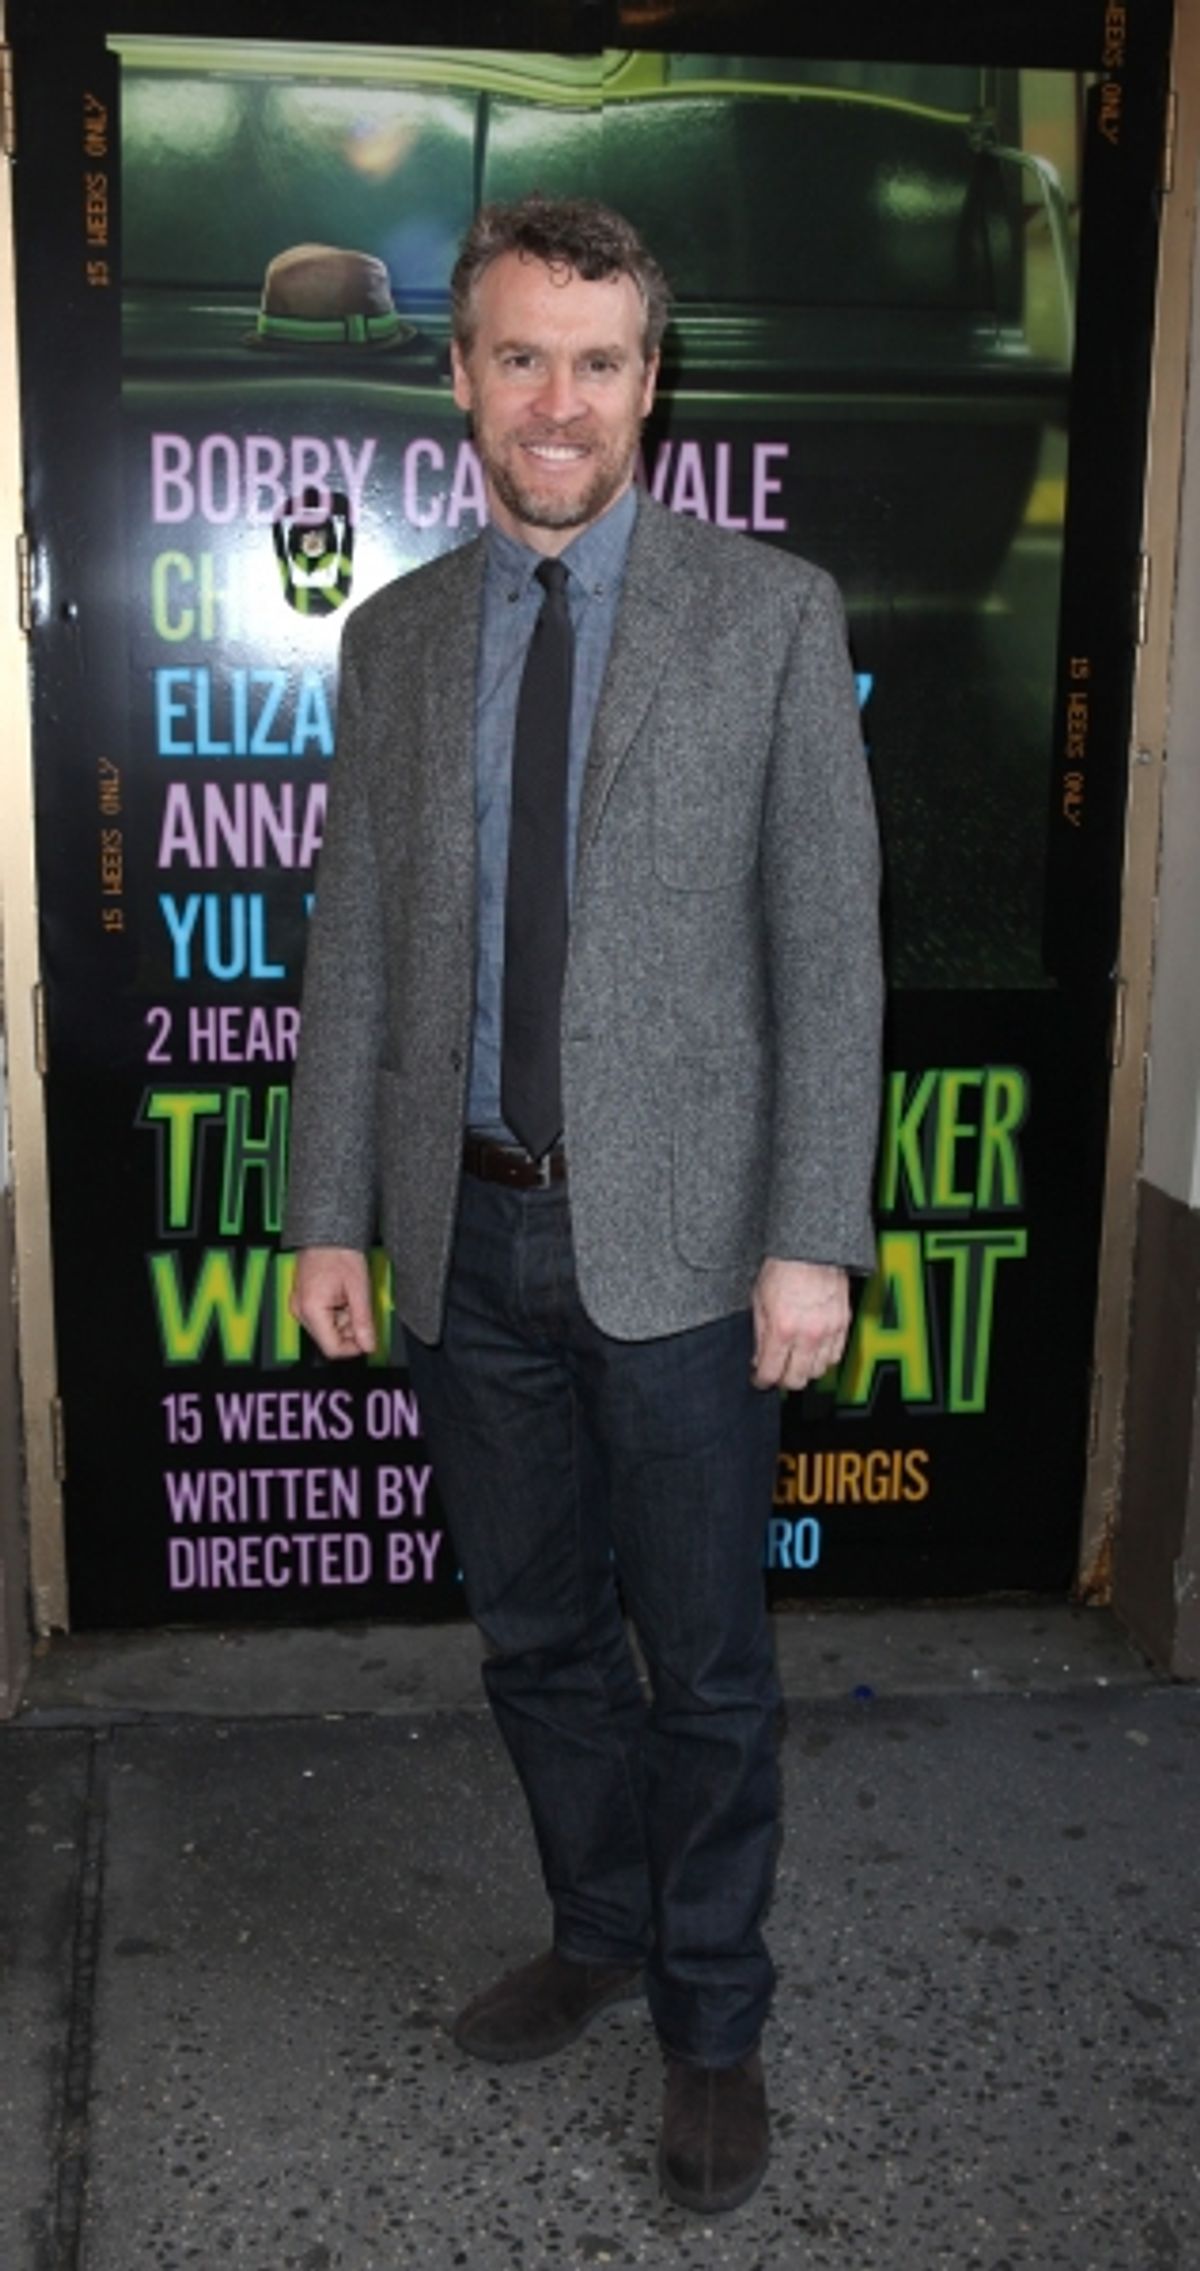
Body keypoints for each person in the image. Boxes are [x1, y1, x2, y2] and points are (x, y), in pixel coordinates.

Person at [284, 193, 882, 2216]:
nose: (561, 401)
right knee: (537, 1638)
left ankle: (713, 2015)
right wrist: (328, 1217)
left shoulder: (772, 614)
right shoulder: (397, 639)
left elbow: (828, 946)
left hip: (696, 1248)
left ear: (653, 384)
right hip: (468, 1236)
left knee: (703, 1662)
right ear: (461, 375)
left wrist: (817, 1228)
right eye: (521, 355)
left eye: (600, 361)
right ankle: (600, 1925)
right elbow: (350, 953)